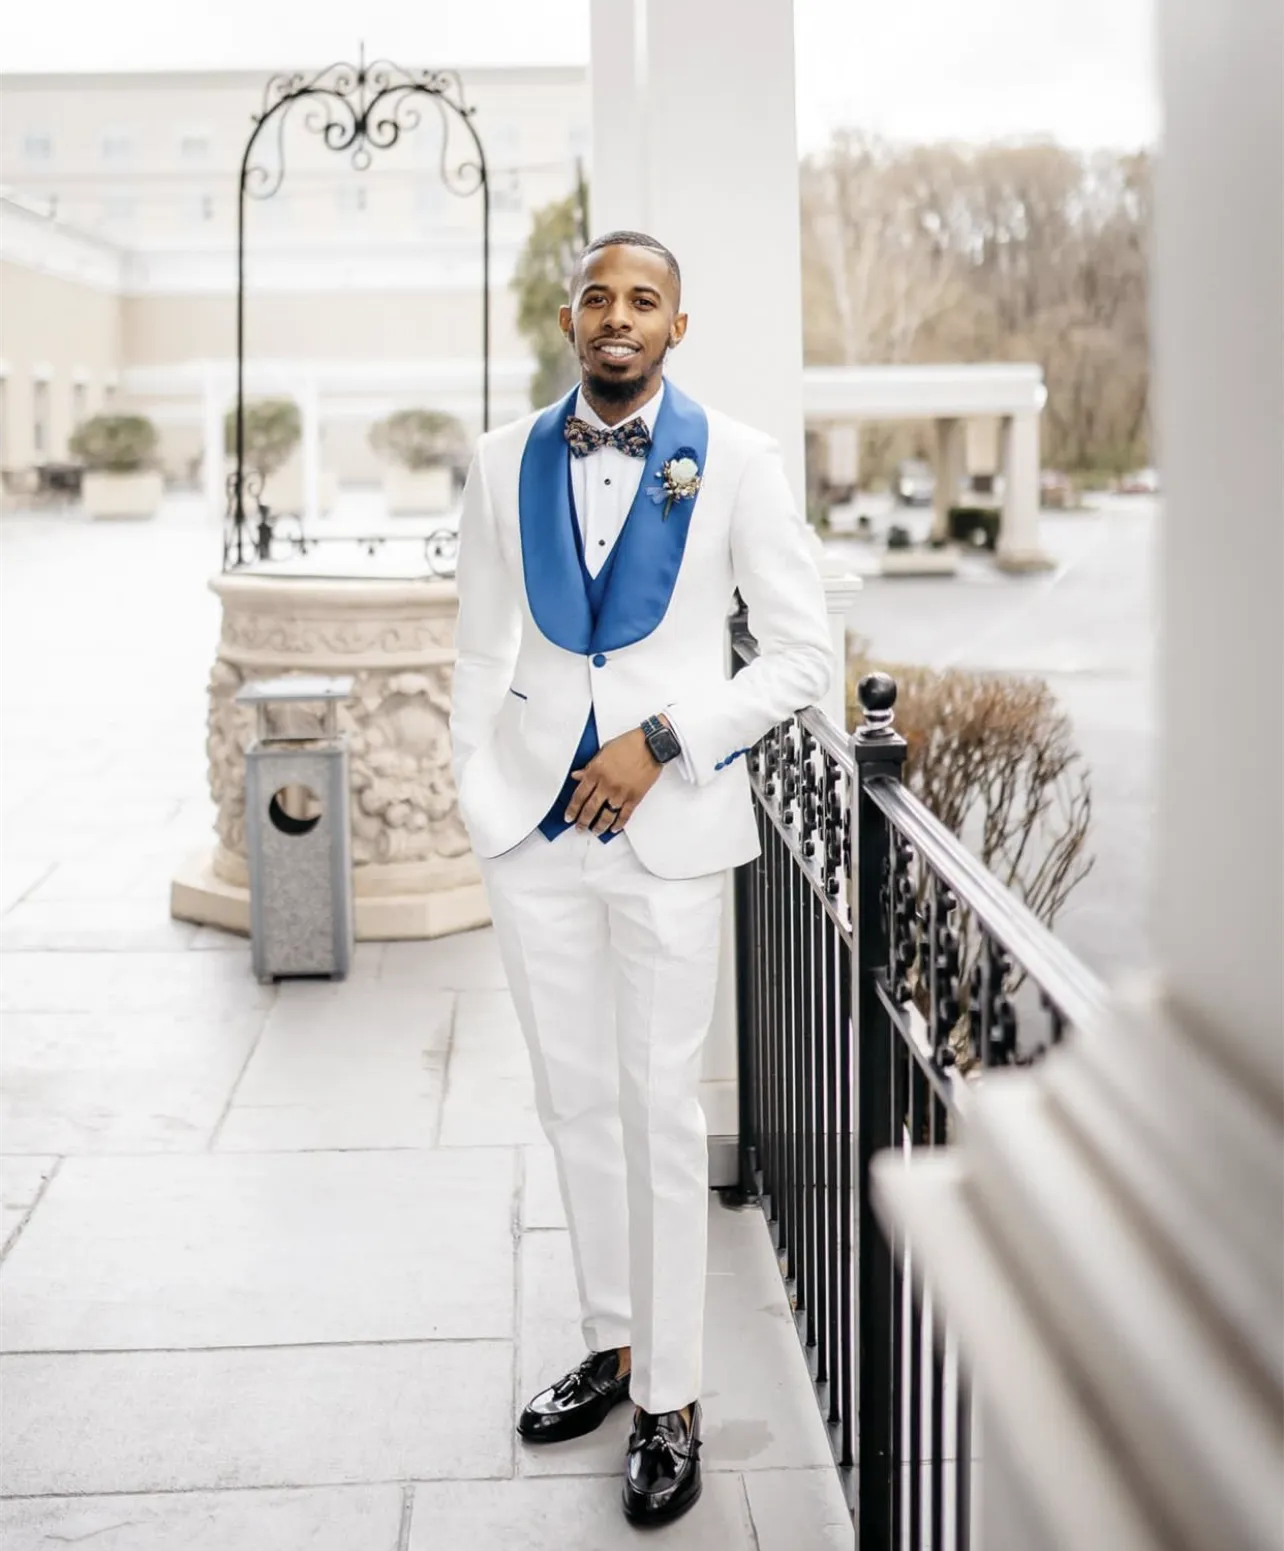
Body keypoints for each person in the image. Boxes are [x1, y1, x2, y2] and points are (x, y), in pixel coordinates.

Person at [449, 230, 832, 1527]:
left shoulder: (741, 461)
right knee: (572, 1100)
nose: (619, 316)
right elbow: (476, 645)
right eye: (599, 296)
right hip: (533, 833)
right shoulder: (500, 459)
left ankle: (673, 1396)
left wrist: (663, 742)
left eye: (645, 300)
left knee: (660, 1108)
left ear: (677, 324)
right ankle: (612, 1344)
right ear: (570, 318)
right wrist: (477, 787)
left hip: (669, 834)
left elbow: (802, 659)